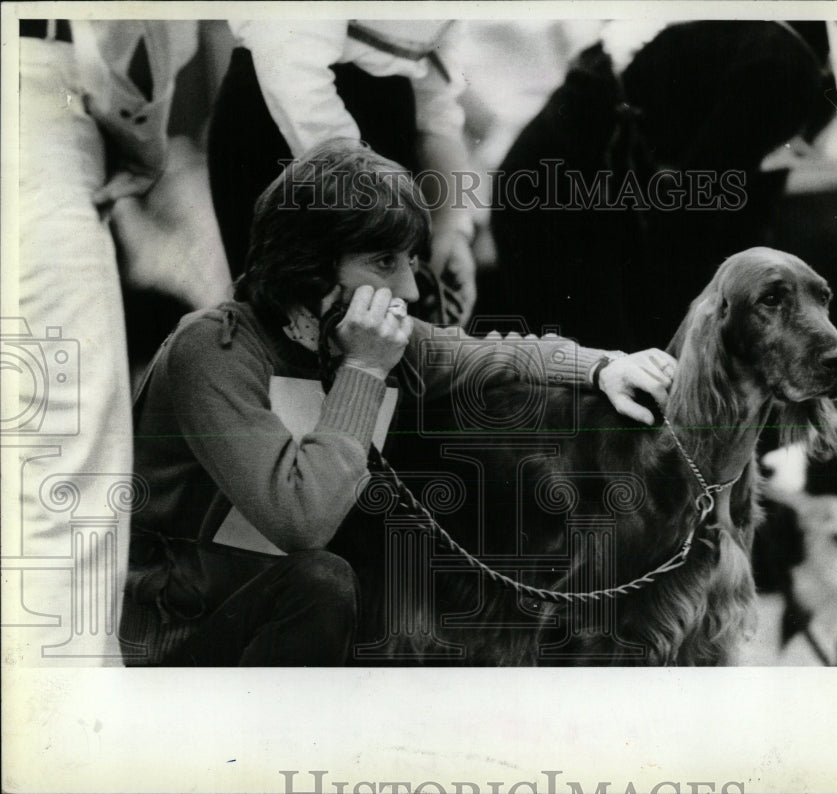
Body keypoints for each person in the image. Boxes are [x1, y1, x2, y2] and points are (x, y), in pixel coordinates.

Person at [117, 139, 676, 666]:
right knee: (324, 578)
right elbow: (300, 523)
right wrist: (361, 370)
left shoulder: (359, 335)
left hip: (285, 611)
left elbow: (489, 357)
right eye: (384, 261)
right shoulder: (212, 350)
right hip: (181, 630)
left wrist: (603, 366)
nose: (409, 289)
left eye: (410, 259)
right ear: (311, 267)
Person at [485, 19, 837, 352]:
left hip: (599, 198)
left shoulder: (813, 63)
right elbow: (692, 215)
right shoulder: (786, 58)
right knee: (599, 369)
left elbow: (746, 202)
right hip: (559, 194)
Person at [7, 19, 195, 666]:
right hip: (37, 98)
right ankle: (65, 738)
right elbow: (139, 20)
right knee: (63, 466)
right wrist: (144, 136)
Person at [207, 20, 477, 324]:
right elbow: (292, 66)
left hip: (387, 128)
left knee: (389, 336)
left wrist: (450, 227)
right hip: (293, 118)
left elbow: (436, 97)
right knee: (289, 334)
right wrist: (368, 200)